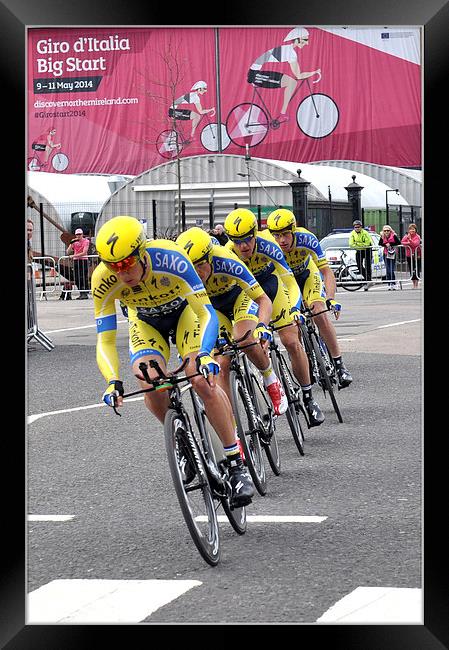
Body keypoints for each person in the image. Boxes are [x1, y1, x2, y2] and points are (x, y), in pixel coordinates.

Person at [92, 216, 254, 507]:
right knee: (149, 381)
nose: (122, 272)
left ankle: (235, 463)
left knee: (199, 378)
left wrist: (205, 353)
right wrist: (112, 381)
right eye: (113, 265)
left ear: (142, 253)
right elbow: (104, 339)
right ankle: (183, 443)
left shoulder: (171, 258)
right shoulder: (102, 280)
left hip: (185, 315)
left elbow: (206, 313)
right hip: (145, 323)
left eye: (127, 263)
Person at [223, 208, 324, 427]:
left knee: (290, 341)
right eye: (236, 241)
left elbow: (289, 281)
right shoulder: (228, 253)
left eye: (247, 239)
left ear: (255, 233)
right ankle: (263, 383)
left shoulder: (269, 244)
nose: (243, 246)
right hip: (248, 293)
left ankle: (308, 397)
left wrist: (296, 308)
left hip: (272, 286)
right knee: (248, 339)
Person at [176, 226, 287, 416]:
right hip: (213, 309)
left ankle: (270, 378)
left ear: (210, 258)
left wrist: (262, 326)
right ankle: (231, 423)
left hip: (239, 298)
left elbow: (262, 299)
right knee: (220, 363)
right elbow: (187, 313)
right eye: (190, 267)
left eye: (200, 265)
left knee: (244, 339)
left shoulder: (226, 260)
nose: (196, 272)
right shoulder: (181, 273)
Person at [265, 208, 353, 389]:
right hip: (285, 283)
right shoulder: (267, 244)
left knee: (319, 312)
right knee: (292, 328)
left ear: (294, 230)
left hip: (306, 275)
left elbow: (326, 272)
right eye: (276, 235)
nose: (281, 240)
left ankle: (339, 363)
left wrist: (330, 298)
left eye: (285, 234)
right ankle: (304, 362)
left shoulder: (306, 239)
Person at [247, 26, 321, 122]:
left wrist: (313, 73)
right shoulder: (289, 52)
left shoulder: (289, 51)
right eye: (305, 40)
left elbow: (298, 74)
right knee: (292, 83)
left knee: (292, 82)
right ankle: (282, 114)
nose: (307, 43)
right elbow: (298, 75)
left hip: (258, 72)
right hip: (255, 75)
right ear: (297, 39)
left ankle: (282, 114)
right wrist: (313, 73)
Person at [349, 220, 373, 290]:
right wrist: (360, 245)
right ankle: (369, 280)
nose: (357, 228)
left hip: (367, 250)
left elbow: (367, 243)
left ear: (361, 227)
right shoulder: (352, 233)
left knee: (368, 266)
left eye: (358, 227)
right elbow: (351, 244)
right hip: (359, 250)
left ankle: (367, 283)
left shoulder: (365, 233)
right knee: (359, 266)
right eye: (355, 227)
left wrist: (357, 244)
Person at [67, 228, 90, 299]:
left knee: (83, 276)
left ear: (82, 234)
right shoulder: (74, 242)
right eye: (77, 234)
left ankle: (85, 292)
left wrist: (73, 256)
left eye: (80, 234)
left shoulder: (86, 241)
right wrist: (71, 244)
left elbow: (84, 252)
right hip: (76, 261)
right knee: (77, 277)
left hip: (84, 260)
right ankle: (81, 292)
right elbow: (68, 252)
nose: (78, 236)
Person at [378, 225, 401, 290]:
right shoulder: (382, 236)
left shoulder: (393, 235)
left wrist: (390, 244)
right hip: (385, 254)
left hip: (392, 254)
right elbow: (379, 243)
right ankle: (389, 284)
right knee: (387, 270)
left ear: (390, 231)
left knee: (391, 270)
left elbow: (398, 242)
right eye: (385, 231)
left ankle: (393, 283)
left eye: (388, 230)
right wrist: (385, 244)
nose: (386, 232)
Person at [401, 223, 422, 289]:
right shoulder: (406, 236)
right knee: (411, 269)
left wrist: (409, 240)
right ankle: (413, 284)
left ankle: (416, 284)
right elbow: (402, 242)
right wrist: (409, 243)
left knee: (417, 269)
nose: (411, 231)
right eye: (410, 229)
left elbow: (415, 244)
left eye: (413, 229)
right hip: (409, 255)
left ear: (415, 230)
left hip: (417, 255)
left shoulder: (417, 236)